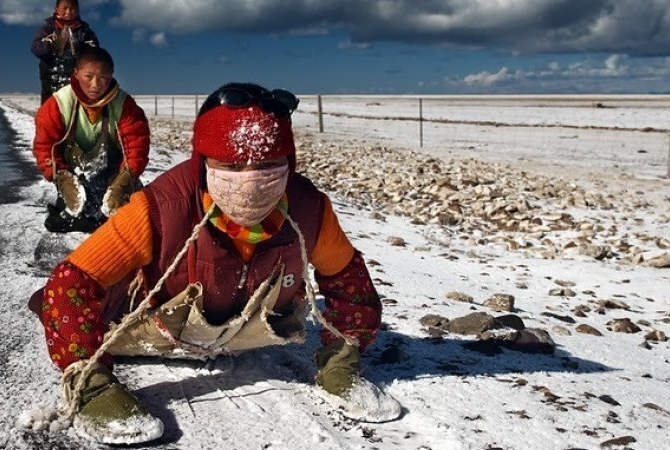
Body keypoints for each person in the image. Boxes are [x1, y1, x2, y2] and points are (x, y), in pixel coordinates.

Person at [28, 82, 395, 444]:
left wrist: (341, 360)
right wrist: (91, 382)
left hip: (242, 330)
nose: (250, 178)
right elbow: (71, 282)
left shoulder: (310, 210)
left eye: (268, 164)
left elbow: (351, 287)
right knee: (57, 302)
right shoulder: (160, 209)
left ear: (289, 163)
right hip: (145, 325)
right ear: (204, 163)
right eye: (231, 164)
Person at [31, 46, 150, 233]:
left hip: (113, 173)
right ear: (76, 74)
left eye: (103, 78)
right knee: (79, 213)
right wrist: (62, 178)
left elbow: (136, 147)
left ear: (111, 76)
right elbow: (45, 147)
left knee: (123, 217)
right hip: (74, 173)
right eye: (89, 76)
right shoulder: (58, 104)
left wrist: (125, 180)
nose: (96, 85)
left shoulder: (124, 105)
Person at [31, 0, 99, 105]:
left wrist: (79, 48)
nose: (68, 12)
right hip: (50, 80)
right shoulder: (48, 27)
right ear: (56, 9)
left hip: (77, 80)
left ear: (78, 11)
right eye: (65, 8)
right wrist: (53, 45)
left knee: (74, 109)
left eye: (72, 9)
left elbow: (95, 53)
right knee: (49, 111)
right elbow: (36, 48)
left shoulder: (84, 30)